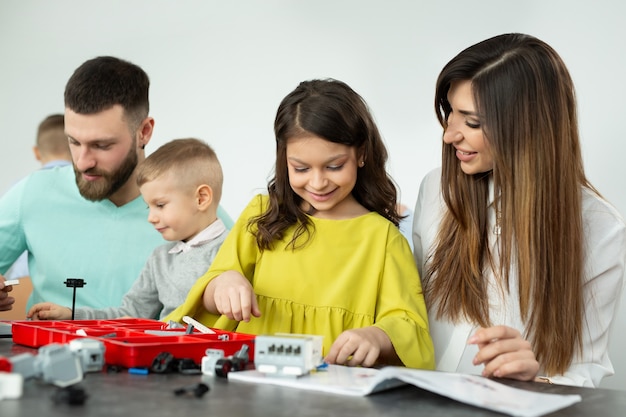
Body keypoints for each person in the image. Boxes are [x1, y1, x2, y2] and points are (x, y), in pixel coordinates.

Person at [166, 79, 434, 370]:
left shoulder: (383, 239)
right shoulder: (262, 213)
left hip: (329, 392)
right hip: (249, 381)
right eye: (301, 168)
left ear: (361, 154)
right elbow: (206, 296)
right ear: (284, 159)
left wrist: (376, 335)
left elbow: (407, 322)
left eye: (334, 166)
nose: (318, 182)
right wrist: (222, 284)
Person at [412, 33, 626, 387]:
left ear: (527, 127)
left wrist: (538, 377)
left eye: (473, 122)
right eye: (450, 112)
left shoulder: (600, 228)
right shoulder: (436, 188)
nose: (450, 135)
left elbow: (585, 369)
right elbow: (411, 313)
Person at [0, 56, 233, 313]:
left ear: (144, 132)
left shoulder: (198, 214)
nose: (82, 162)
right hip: (41, 350)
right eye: (74, 142)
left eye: (102, 145)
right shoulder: (32, 193)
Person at [27, 138, 228, 320]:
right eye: (148, 207)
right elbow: (130, 314)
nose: (151, 218)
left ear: (201, 198)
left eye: (160, 205)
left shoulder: (233, 251)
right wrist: (72, 315)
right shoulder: (160, 258)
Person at [4, 114, 72, 282]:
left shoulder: (19, 189)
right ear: (75, 146)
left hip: (22, 284)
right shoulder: (91, 189)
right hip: (71, 286)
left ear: (36, 152)